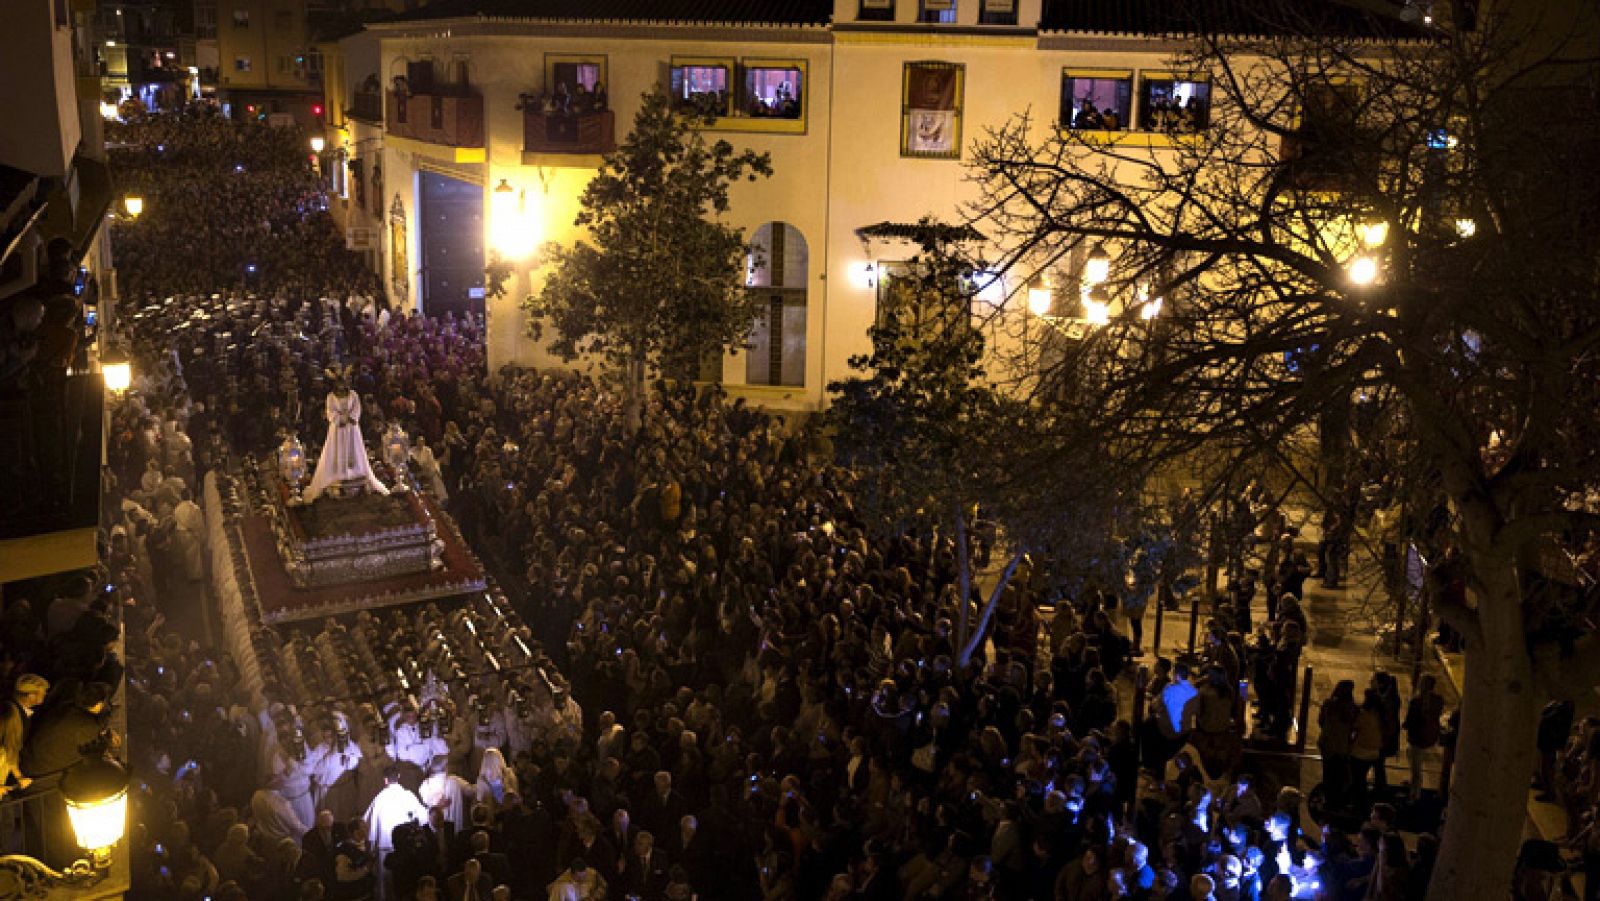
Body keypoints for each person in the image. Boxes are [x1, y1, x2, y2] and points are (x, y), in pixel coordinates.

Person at [365, 766, 430, 899]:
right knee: (403, 883)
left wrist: (370, 848)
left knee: (385, 884)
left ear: (385, 780)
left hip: (385, 848)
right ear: (399, 776)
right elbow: (424, 818)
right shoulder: (408, 796)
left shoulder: (379, 799)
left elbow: (369, 825)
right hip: (405, 849)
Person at [0, 674, 48, 798]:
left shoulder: (13, 709)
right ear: (31, 696)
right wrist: (18, 776)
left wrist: (19, 776)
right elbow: (11, 748)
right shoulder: (11, 715)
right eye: (42, 692)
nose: (45, 695)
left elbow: (11, 751)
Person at [1403, 674, 1444, 801]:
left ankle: (1415, 794)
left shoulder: (1416, 701)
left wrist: (1404, 725)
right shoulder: (1438, 700)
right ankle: (1414, 787)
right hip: (1429, 736)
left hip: (1417, 738)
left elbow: (1409, 721)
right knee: (1416, 762)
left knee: (1415, 765)